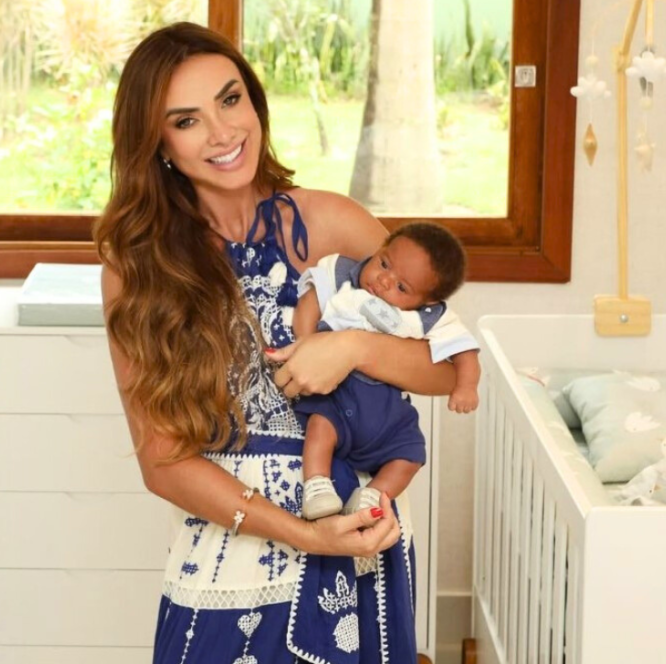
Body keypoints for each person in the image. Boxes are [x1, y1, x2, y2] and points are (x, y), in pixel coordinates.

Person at [94, 21, 456, 664]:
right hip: (228, 557)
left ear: (254, 102)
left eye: (230, 100)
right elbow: (162, 461)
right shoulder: (137, 267)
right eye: (187, 120)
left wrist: (352, 348)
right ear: (158, 144)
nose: (222, 132)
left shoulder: (332, 222)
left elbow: (448, 369)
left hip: (356, 537)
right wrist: (304, 535)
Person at [292, 222, 481, 520]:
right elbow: (310, 302)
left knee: (411, 453)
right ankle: (317, 486)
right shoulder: (342, 275)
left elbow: (464, 352)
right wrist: (305, 344)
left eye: (401, 287)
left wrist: (466, 387)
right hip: (337, 398)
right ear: (380, 248)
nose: (383, 280)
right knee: (319, 428)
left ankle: (372, 496)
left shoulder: (429, 317)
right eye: (383, 263)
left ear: (427, 301)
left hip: (387, 414)